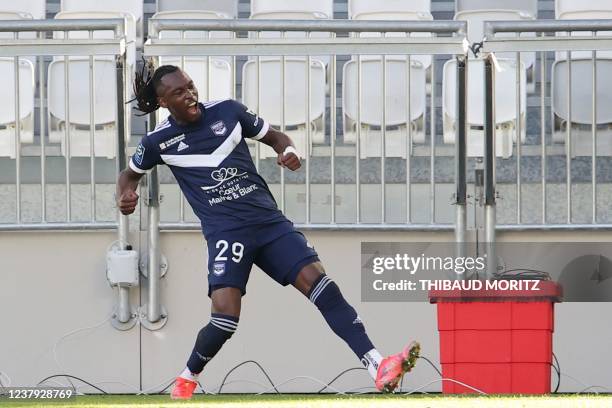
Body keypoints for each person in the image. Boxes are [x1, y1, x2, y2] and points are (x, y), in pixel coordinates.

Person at [116, 61, 420, 400]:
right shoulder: (158, 141)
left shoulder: (228, 111)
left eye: (190, 86)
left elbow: (276, 138)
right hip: (227, 235)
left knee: (324, 288)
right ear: (163, 103)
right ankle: (187, 378)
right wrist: (126, 196)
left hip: (269, 224)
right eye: (179, 92)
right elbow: (129, 176)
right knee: (225, 321)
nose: (190, 94)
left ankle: (377, 365)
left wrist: (288, 150)